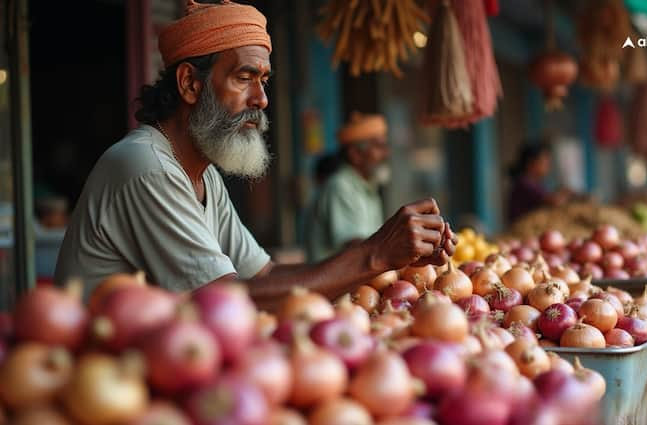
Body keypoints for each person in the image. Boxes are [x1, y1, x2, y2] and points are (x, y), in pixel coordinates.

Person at [54, 1, 455, 311]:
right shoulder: (147, 167)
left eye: (263, 81)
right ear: (190, 84)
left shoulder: (202, 174)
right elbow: (226, 303)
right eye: (244, 78)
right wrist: (375, 254)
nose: (261, 99)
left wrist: (388, 249)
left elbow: (268, 277)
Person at [307, 112, 391, 262]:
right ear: (355, 154)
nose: (386, 153)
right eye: (379, 147)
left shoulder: (367, 187)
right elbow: (355, 248)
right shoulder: (341, 186)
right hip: (333, 284)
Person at [506, 144, 572, 224]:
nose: (548, 166)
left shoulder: (535, 183)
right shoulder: (524, 184)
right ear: (531, 163)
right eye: (544, 162)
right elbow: (553, 202)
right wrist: (566, 195)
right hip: (522, 230)